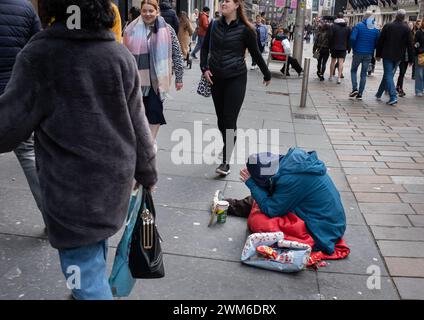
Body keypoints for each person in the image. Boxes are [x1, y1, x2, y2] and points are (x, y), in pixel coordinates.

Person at [0, 0, 158, 300]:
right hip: (113, 186)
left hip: (71, 193)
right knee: (92, 256)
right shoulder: (119, 55)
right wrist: (148, 172)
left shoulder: (41, 56)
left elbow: (7, 129)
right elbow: (140, 127)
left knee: (85, 278)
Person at [226, 149, 347, 255]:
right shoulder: (291, 165)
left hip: (322, 231)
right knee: (264, 198)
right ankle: (232, 205)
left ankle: (232, 206)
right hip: (332, 222)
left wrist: (252, 184)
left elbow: (272, 210)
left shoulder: (290, 180)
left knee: (258, 221)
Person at [200, 0, 271, 176]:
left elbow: (255, 53)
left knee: (229, 119)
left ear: (237, 5)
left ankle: (225, 161)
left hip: (236, 78)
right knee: (221, 121)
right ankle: (227, 144)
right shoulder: (214, 25)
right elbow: (203, 48)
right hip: (216, 78)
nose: (223, 4)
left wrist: (266, 73)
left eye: (227, 1)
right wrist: (204, 68)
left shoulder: (246, 29)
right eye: (222, 1)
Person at [0, 0, 43, 216]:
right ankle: (51, 215)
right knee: (28, 152)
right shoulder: (25, 8)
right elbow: (38, 48)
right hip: (14, 91)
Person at [124, 0, 184, 144]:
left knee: (155, 111)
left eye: (151, 11)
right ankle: (142, 141)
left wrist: (179, 77)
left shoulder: (167, 29)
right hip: (137, 80)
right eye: (144, 11)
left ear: (157, 11)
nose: (147, 14)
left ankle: (150, 143)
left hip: (157, 80)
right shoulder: (130, 29)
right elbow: (123, 55)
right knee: (137, 113)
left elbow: (177, 53)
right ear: (141, 11)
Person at [375, 9, 413, 105]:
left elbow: (381, 41)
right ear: (404, 17)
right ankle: (379, 93)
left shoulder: (388, 26)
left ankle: (393, 96)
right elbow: (410, 45)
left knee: (388, 74)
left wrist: (378, 54)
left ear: (396, 16)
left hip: (387, 54)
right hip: (399, 56)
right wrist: (411, 59)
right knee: (388, 74)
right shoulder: (407, 28)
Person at [349, 11, 380, 100]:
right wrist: (372, 48)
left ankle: (355, 88)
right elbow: (377, 42)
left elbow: (352, 38)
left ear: (364, 17)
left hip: (358, 52)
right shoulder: (375, 29)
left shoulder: (358, 26)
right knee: (363, 74)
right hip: (368, 54)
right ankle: (360, 94)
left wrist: (353, 47)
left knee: (353, 70)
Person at [328, 12, 351, 84]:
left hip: (334, 47)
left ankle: (331, 76)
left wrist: (330, 46)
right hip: (343, 48)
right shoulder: (347, 28)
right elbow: (349, 39)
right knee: (341, 62)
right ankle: (339, 78)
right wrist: (349, 48)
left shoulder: (333, 26)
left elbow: (330, 37)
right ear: (343, 17)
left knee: (332, 61)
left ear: (337, 17)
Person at [396, 21, 415, 98]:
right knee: (402, 72)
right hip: (401, 56)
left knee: (402, 73)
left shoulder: (413, 34)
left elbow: (412, 48)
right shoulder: (403, 34)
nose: (410, 27)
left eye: (411, 26)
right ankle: (400, 89)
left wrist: (411, 60)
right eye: (409, 25)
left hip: (407, 57)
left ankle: (398, 87)